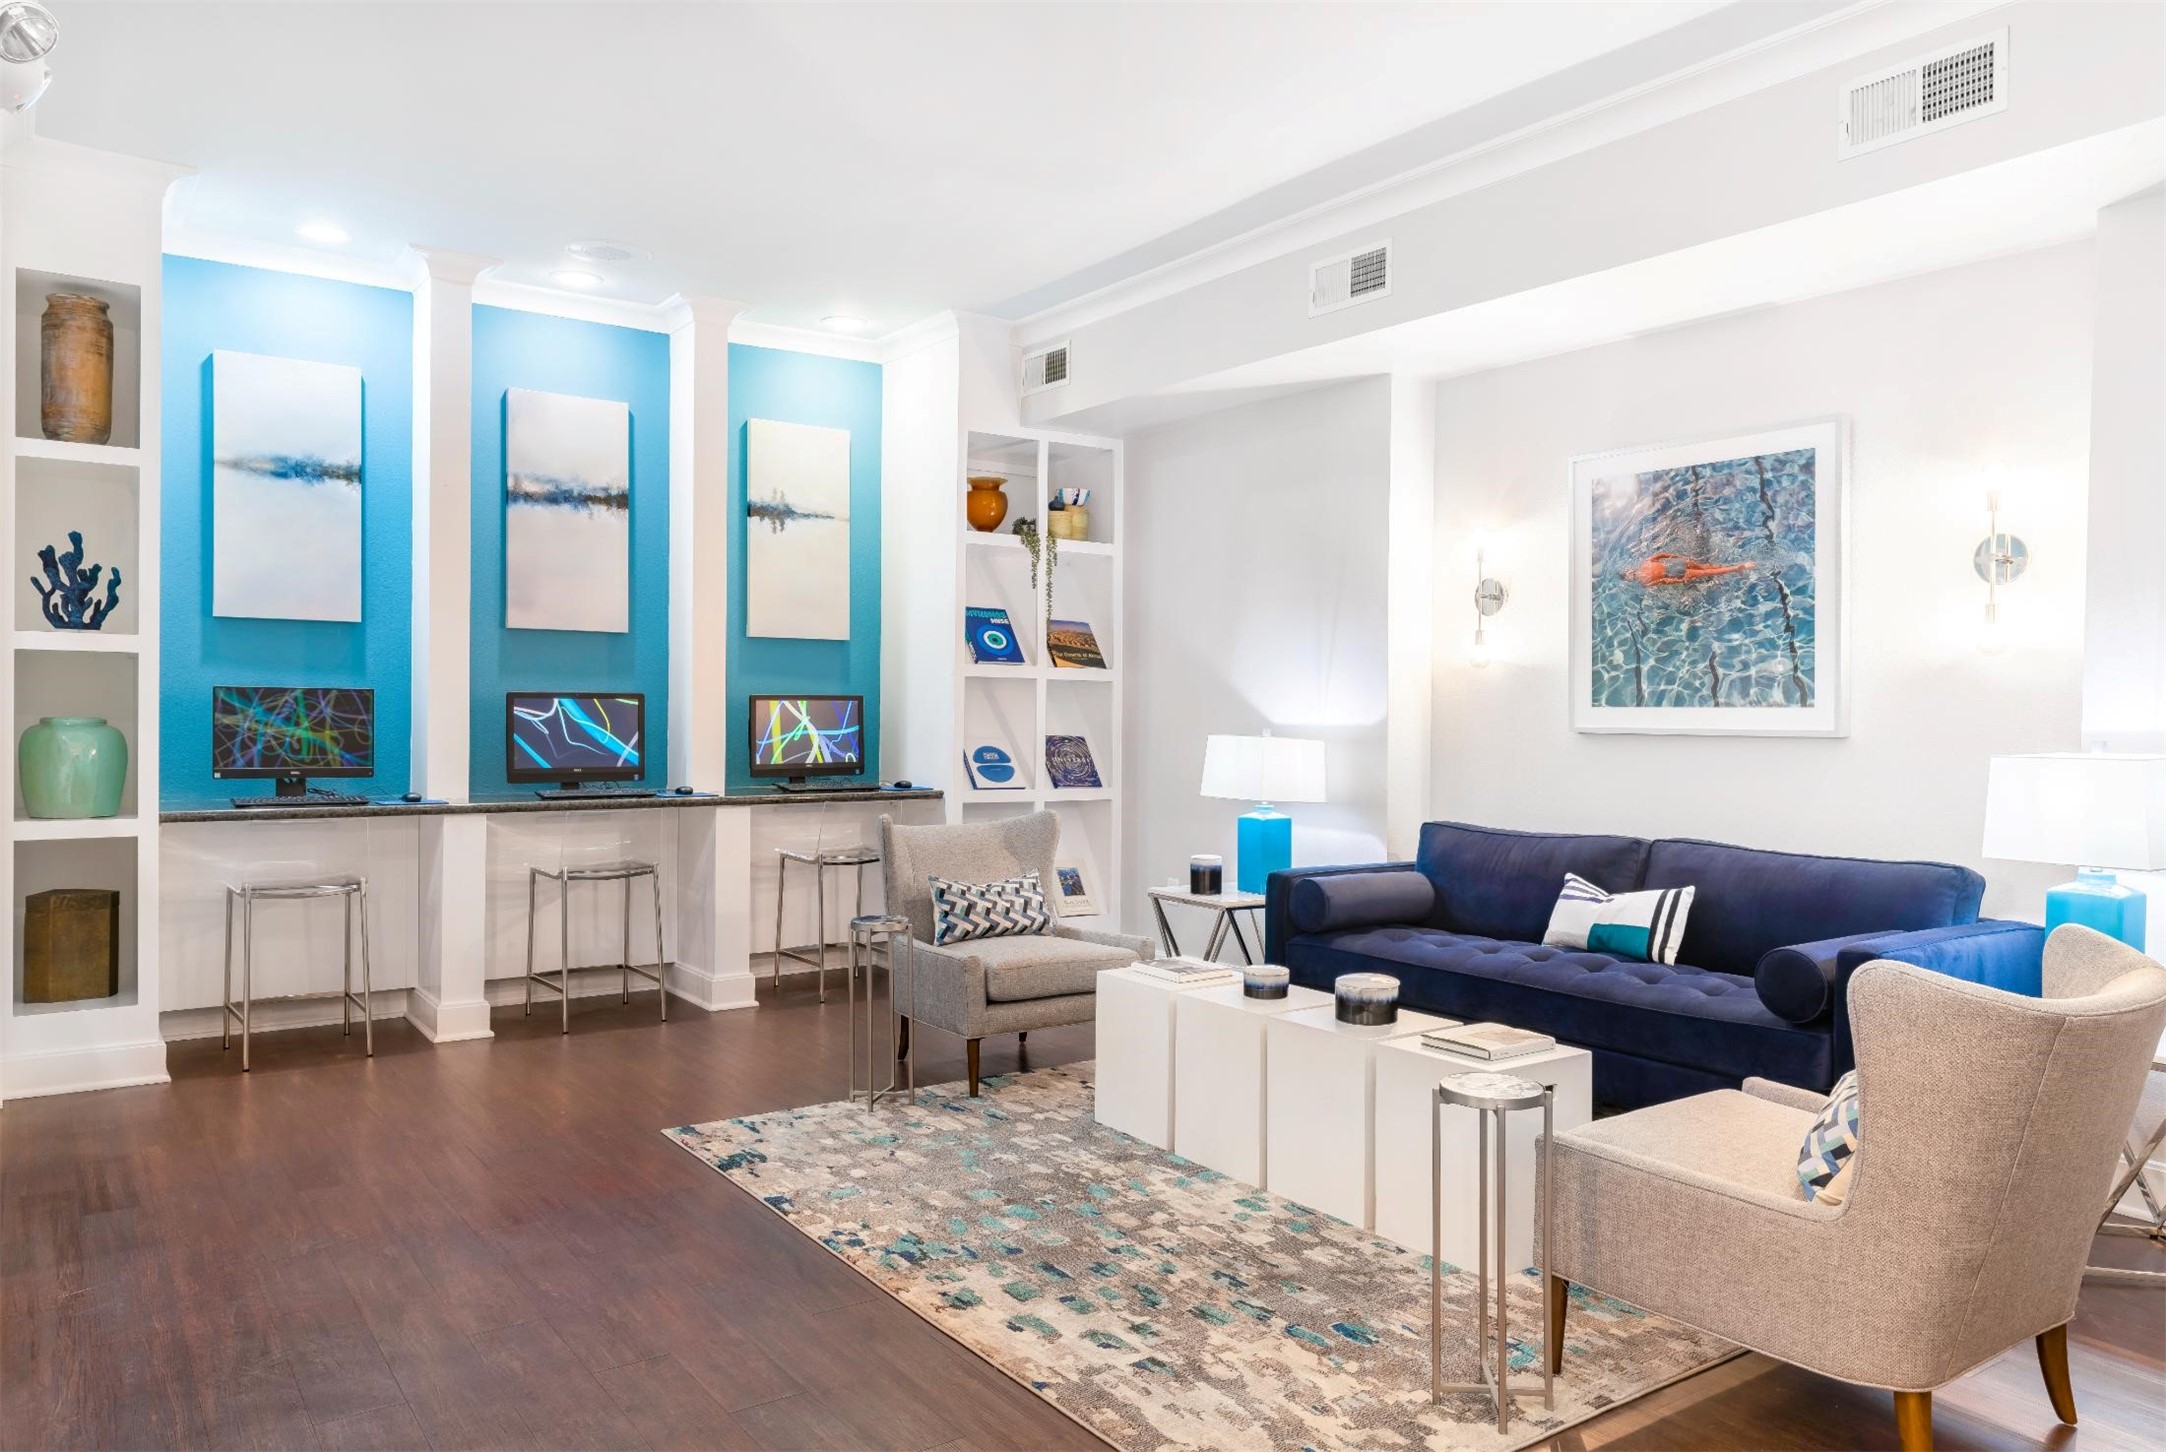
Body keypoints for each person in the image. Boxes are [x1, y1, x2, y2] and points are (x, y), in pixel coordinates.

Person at [1622, 552, 1753, 588]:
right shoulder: (1644, 563)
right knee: (1706, 567)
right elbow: (1660, 555)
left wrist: (1679, 581)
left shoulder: (1644, 583)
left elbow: (1663, 581)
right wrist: (1680, 558)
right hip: (1676, 563)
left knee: (1707, 572)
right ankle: (1735, 566)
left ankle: (1737, 568)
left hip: (1674, 573)